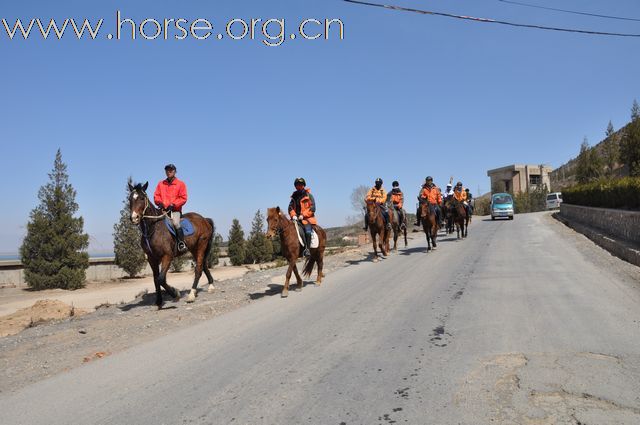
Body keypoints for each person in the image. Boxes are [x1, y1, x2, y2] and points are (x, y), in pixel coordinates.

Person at [154, 163, 188, 252]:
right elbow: (156, 196)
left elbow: (183, 198)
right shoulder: (160, 184)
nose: (168, 172)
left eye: (171, 170)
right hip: (162, 210)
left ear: (175, 172)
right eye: (167, 170)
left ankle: (181, 243)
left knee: (176, 223)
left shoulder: (181, 184)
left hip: (175, 211)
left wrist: (173, 205)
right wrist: (159, 203)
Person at [288, 177, 317, 257]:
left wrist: (303, 215)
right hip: (295, 219)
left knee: (307, 230)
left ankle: (307, 249)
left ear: (303, 185)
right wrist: (293, 215)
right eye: (297, 185)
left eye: (300, 185)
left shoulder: (309, 196)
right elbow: (290, 208)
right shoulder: (294, 197)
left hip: (307, 219)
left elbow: (313, 208)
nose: (299, 186)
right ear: (295, 186)